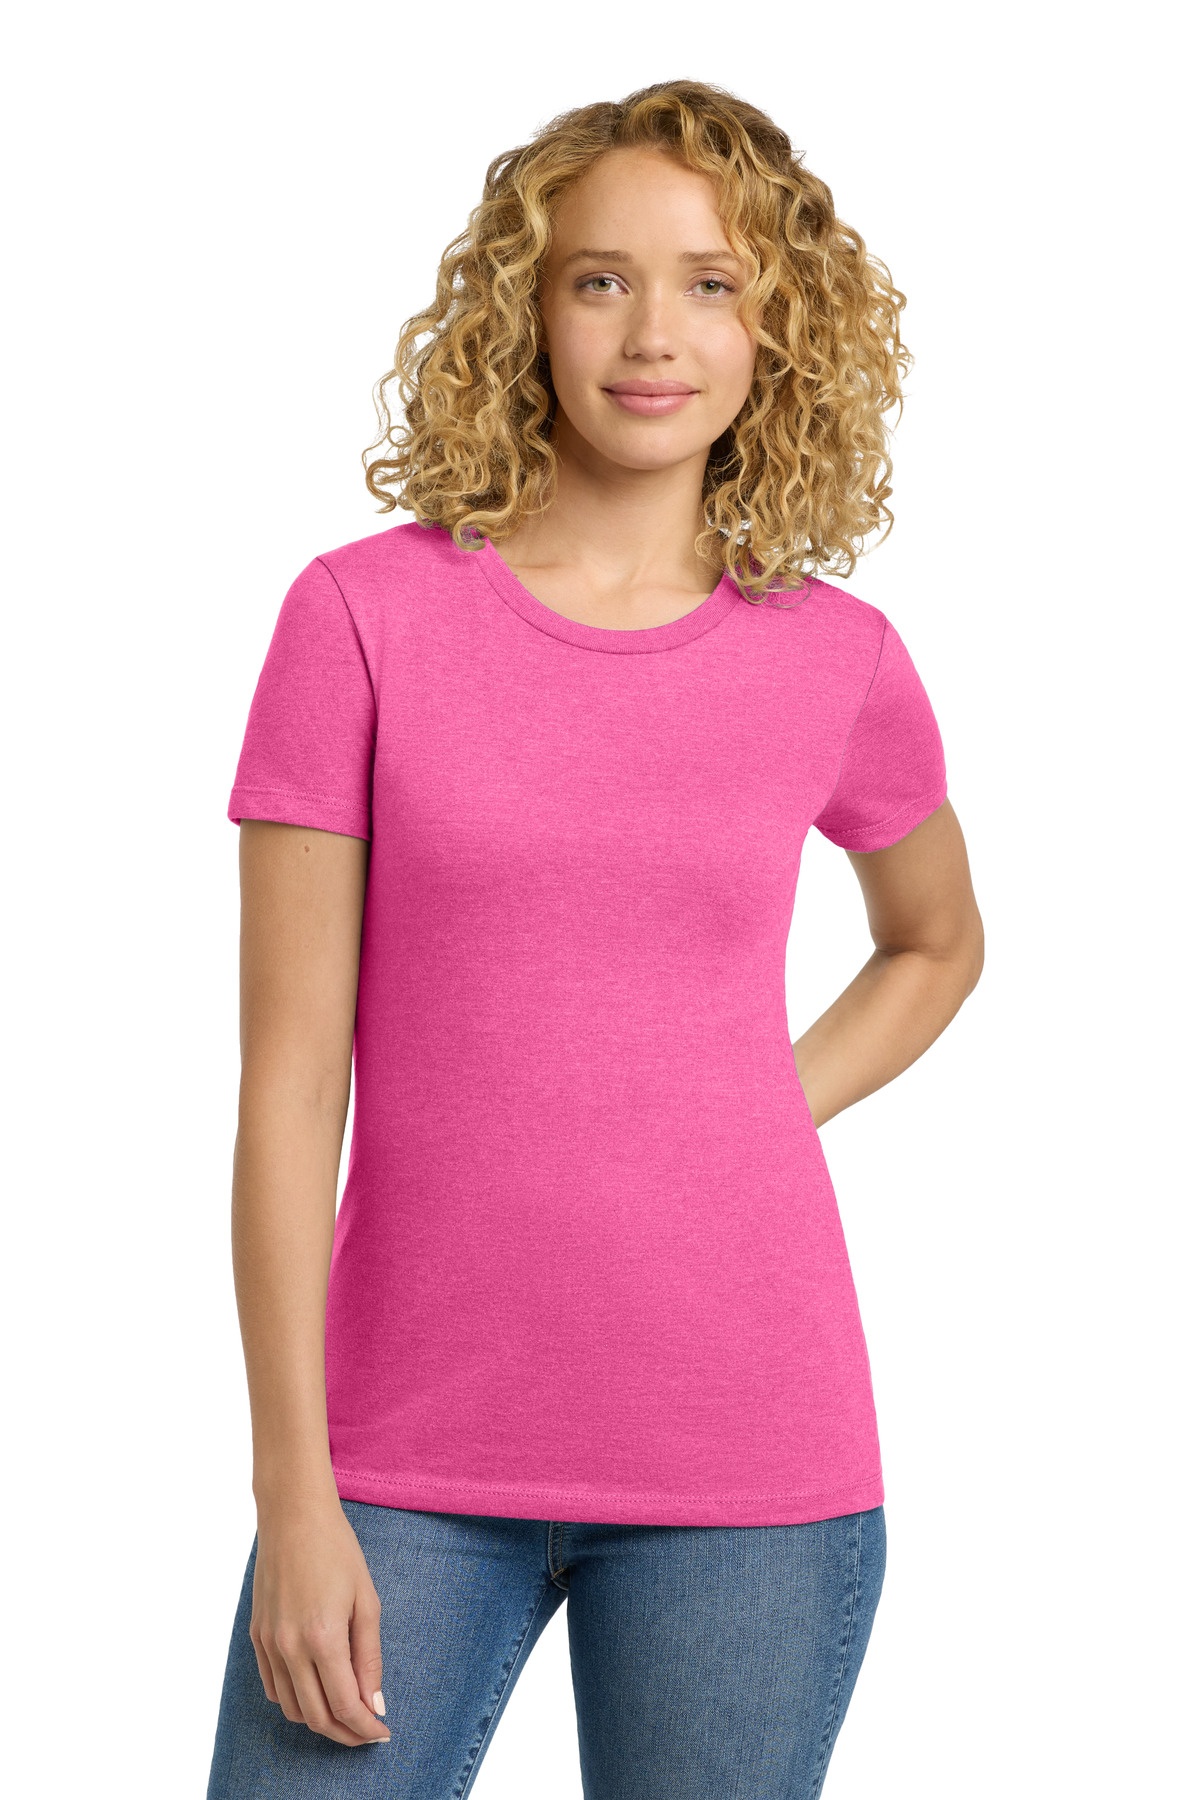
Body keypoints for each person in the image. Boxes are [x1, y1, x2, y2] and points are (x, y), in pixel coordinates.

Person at [206, 78, 985, 1800]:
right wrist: (291, 1491)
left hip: (749, 1464)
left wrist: (753, 1106)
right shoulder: (361, 619)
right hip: (399, 1457)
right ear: (527, 308)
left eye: (712, 284)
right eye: (600, 279)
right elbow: (287, 1088)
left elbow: (935, 942)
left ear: (780, 328)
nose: (653, 336)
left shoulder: (836, 658)